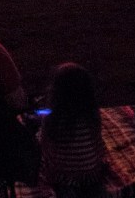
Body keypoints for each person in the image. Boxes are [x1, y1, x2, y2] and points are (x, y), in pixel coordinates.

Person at [39, 63, 105, 198]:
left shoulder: (53, 117)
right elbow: (97, 141)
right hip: (91, 173)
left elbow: (45, 143)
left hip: (63, 174)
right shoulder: (92, 115)